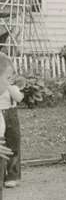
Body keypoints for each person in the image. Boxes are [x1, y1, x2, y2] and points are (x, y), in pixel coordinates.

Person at [0, 55, 24, 188]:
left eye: (11, 76)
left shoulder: (11, 87)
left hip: (10, 114)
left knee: (13, 144)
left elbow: (19, 98)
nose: (9, 78)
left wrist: (10, 87)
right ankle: (1, 174)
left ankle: (13, 175)